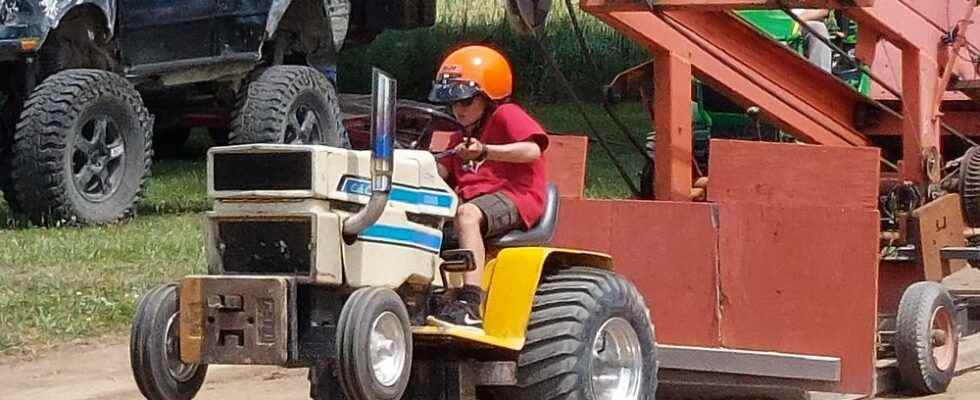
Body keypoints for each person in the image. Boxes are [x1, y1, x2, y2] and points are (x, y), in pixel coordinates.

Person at [427, 45, 550, 328]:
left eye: (466, 102)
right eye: (453, 104)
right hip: (474, 201)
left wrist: (486, 151)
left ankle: (470, 302)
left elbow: (533, 150)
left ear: (488, 97)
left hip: (516, 196)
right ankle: (430, 290)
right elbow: (441, 171)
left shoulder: (506, 115)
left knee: (467, 215)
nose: (458, 110)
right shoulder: (460, 135)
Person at [793, 8, 832, 72]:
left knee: (819, 29)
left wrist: (798, 19)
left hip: (803, 21)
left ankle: (820, 75)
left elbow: (823, 10)